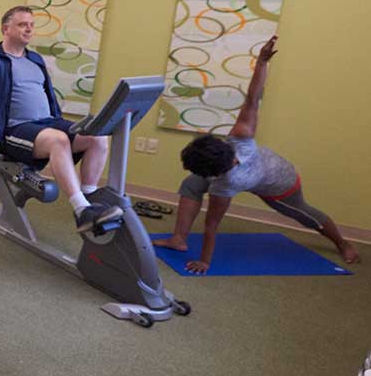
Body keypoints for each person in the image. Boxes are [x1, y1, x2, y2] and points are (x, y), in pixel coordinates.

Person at [153, 35, 361, 273]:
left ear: (215, 174)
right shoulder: (239, 137)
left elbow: (212, 224)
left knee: (305, 215)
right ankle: (178, 239)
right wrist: (262, 62)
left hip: (280, 182)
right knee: (191, 183)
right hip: (253, 169)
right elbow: (253, 97)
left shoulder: (226, 184)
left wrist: (205, 262)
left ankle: (343, 243)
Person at [0, 5, 121, 233]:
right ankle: (81, 211)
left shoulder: (36, 59)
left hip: (47, 122)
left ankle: (89, 203)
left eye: (31, 25)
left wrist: (60, 121)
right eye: (22, 24)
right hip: (14, 129)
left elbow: (49, 96)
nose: (29, 29)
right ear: (5, 29)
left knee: (96, 138)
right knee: (58, 140)